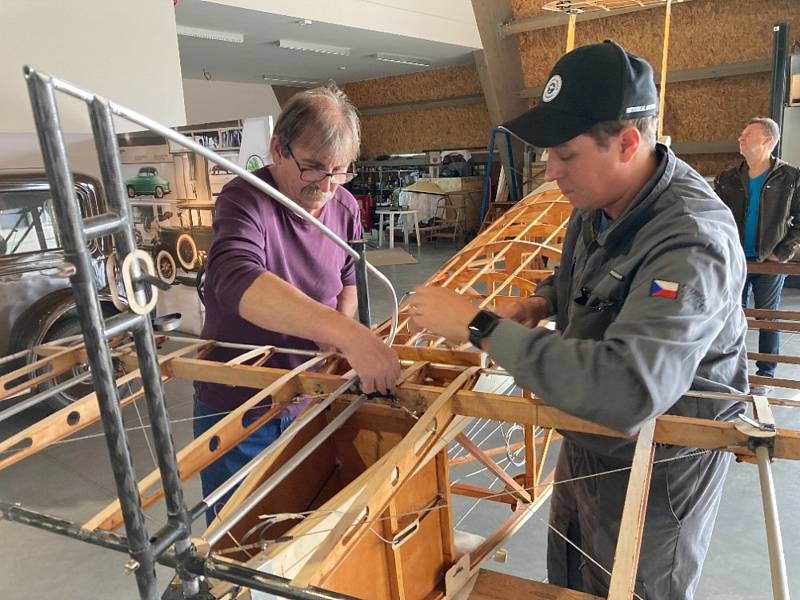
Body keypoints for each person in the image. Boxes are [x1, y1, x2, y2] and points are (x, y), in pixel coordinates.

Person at [408, 41, 748, 599]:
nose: (551, 170)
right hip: (588, 431)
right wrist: (539, 304)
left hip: (657, 454)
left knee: (633, 587)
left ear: (627, 142)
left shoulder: (690, 240)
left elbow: (627, 387)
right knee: (569, 575)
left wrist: (482, 327)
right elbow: (578, 280)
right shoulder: (599, 202)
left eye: (565, 154)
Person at [194, 83, 401, 521]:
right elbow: (235, 279)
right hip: (240, 405)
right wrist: (347, 334)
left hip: (309, 396)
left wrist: (338, 331)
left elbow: (348, 279)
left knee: (300, 522)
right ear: (277, 149)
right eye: (313, 168)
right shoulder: (245, 198)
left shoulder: (343, 203)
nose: (326, 186)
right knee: (238, 536)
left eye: (340, 171)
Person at [714, 117, 800, 394]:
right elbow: (715, 217)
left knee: (767, 317)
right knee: (729, 316)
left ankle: (765, 376)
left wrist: (783, 251)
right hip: (734, 260)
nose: (740, 137)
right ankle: (729, 371)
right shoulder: (727, 178)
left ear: (767, 139)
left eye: (747, 134)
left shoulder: (791, 177)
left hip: (768, 262)